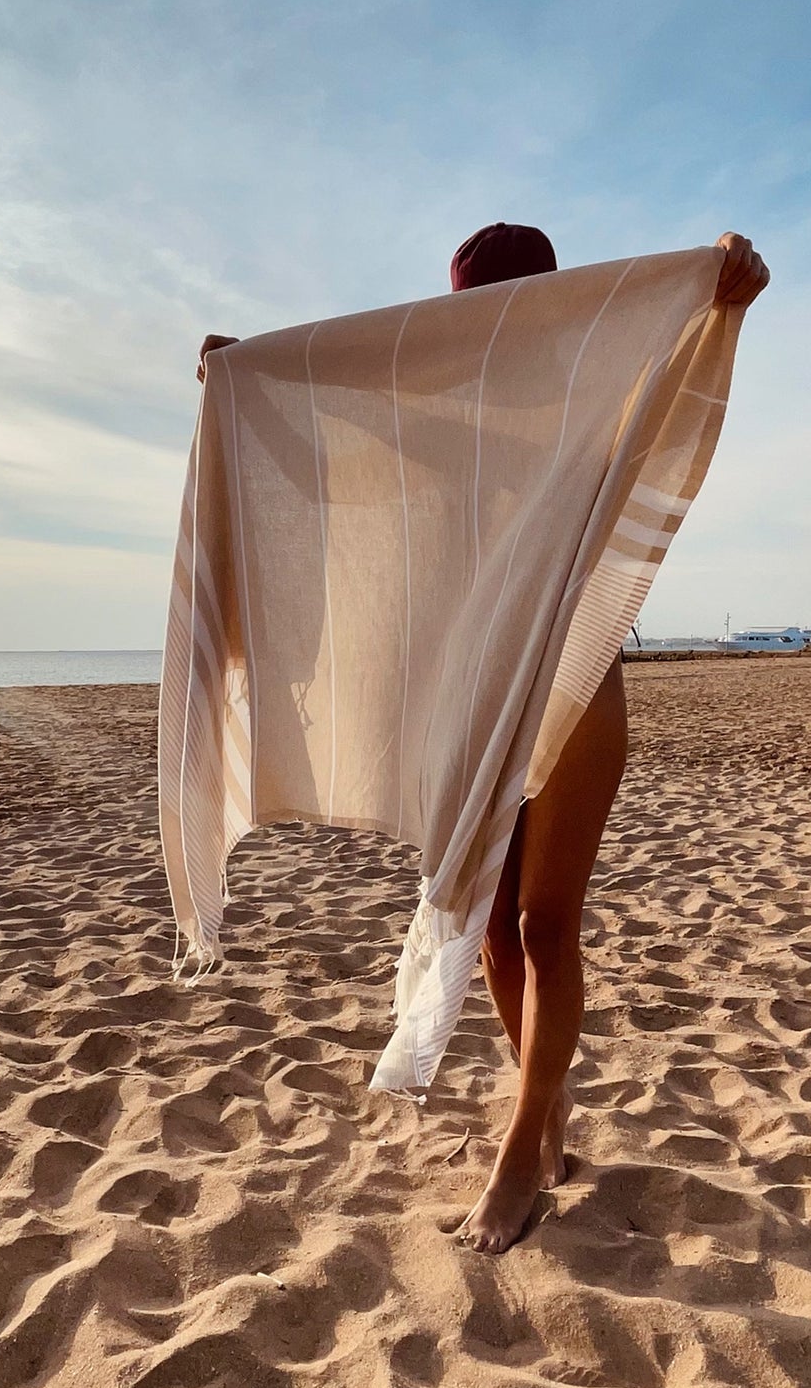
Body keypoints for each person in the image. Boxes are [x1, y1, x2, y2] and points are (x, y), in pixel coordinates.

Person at [197, 225, 769, 1252]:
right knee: (492, 921)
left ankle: (519, 1154)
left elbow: (683, 364)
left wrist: (728, 291)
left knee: (547, 921)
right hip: (476, 691)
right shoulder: (437, 424)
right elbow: (331, 460)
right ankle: (542, 1106)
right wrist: (249, 380)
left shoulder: (598, 397)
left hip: (575, 682)